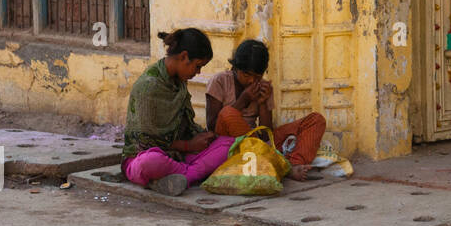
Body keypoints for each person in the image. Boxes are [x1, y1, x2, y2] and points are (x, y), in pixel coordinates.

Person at [121, 28, 233, 196]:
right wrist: (189, 145)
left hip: (178, 156)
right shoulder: (149, 86)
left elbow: (185, 124)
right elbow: (145, 142)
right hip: (145, 157)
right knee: (150, 162)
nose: (198, 73)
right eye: (197, 66)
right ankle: (191, 175)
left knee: (229, 144)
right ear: (183, 57)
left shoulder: (179, 82)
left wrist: (202, 138)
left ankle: (177, 178)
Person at [205, 39, 326, 181]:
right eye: (246, 75)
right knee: (227, 113)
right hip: (230, 143)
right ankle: (280, 167)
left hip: (258, 143)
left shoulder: (263, 87)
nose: (251, 81)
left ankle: (294, 164)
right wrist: (243, 99)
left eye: (257, 76)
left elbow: (266, 136)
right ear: (235, 67)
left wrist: (263, 103)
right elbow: (212, 126)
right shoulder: (219, 81)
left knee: (316, 120)